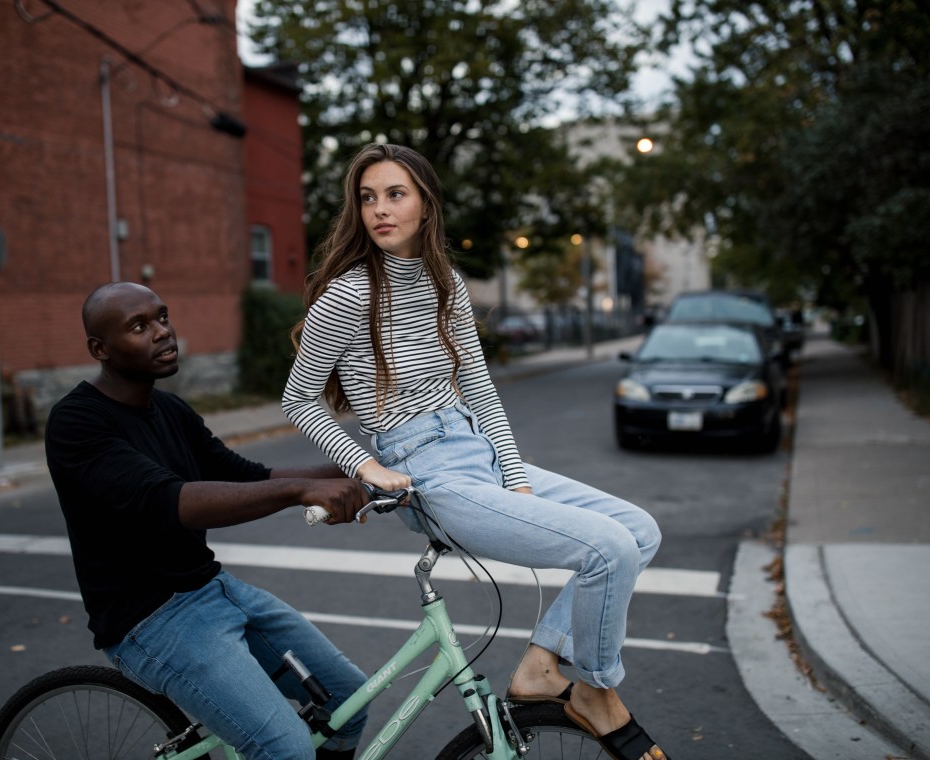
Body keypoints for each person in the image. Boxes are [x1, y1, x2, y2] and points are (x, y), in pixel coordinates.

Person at [282, 143, 669, 760]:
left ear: (426, 204)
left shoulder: (445, 283)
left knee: (639, 529)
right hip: (427, 474)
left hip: (477, 453)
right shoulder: (351, 294)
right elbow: (298, 399)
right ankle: (596, 688)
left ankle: (544, 662)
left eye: (395, 194)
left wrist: (513, 476)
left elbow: (481, 390)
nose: (380, 209)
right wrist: (370, 466)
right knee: (608, 548)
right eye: (367, 197)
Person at [45, 281, 369, 760]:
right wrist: (302, 490)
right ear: (101, 349)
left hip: (210, 588)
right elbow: (172, 500)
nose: (162, 332)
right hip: (149, 620)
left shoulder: (170, 410)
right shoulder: (77, 423)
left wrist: (365, 465)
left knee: (350, 700)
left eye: (162, 317)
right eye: (140, 326)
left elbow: (244, 475)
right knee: (285, 748)